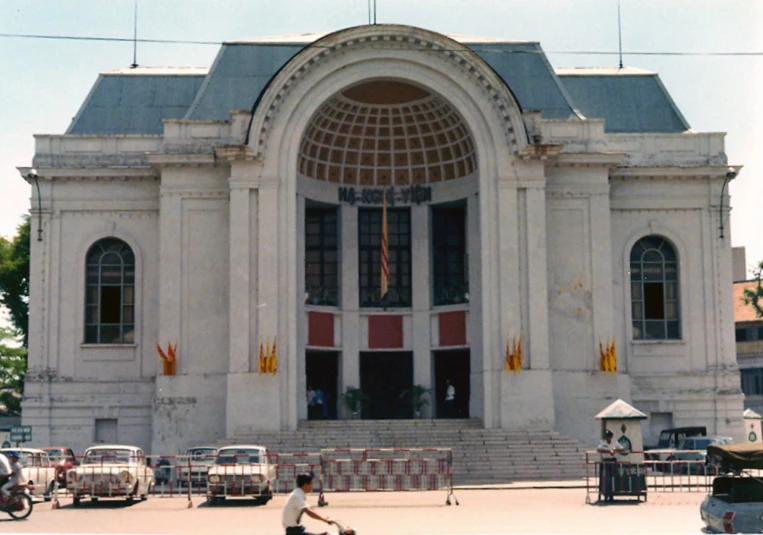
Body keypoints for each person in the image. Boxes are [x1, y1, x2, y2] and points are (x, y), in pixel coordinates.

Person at [597, 429, 625, 502]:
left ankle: (612, 496)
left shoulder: (614, 443)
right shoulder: (603, 443)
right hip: (606, 462)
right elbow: (598, 450)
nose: (607, 438)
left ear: (611, 437)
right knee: (607, 479)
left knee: (613, 479)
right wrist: (608, 451)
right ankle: (606, 495)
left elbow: (623, 449)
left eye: (609, 437)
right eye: (606, 437)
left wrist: (615, 450)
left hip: (613, 461)